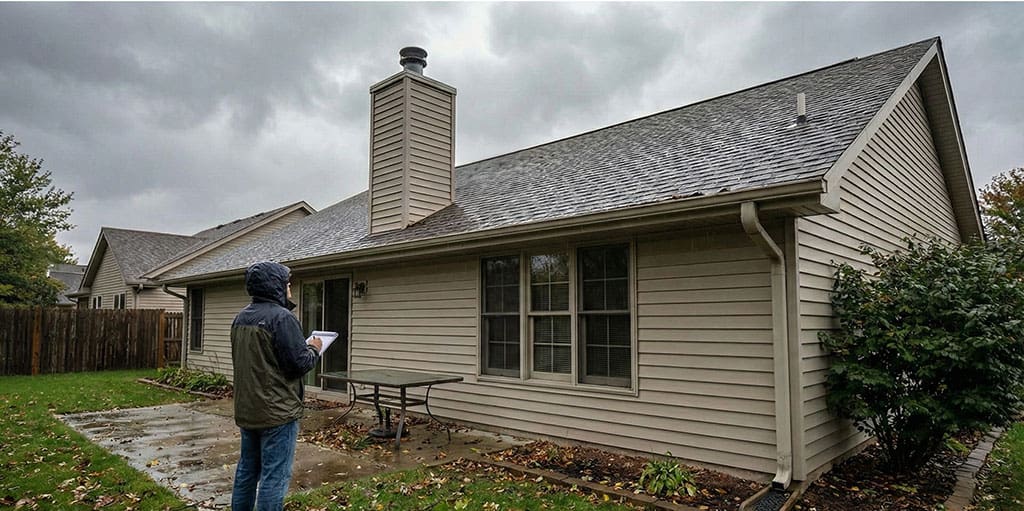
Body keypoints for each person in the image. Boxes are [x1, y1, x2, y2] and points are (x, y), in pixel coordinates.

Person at [230, 261, 322, 511]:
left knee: (247, 472)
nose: (289, 286)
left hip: (248, 410)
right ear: (276, 286)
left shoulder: (241, 318)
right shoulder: (282, 318)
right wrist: (314, 347)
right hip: (277, 413)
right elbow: (299, 364)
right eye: (286, 282)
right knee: (274, 476)